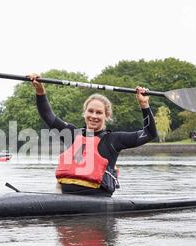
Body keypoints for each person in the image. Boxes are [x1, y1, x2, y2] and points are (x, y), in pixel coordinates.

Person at [29, 74, 157, 197]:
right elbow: (48, 115)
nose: (94, 116)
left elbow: (149, 133)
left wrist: (144, 105)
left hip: (97, 201)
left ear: (106, 116)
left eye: (99, 112)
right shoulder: (72, 134)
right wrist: (40, 90)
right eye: (90, 111)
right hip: (65, 196)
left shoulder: (113, 140)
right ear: (85, 113)